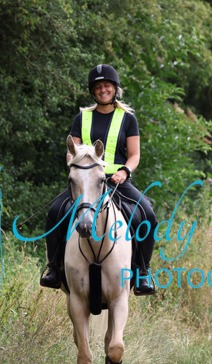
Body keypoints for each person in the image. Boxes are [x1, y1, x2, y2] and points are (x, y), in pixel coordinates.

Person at [39, 64, 156, 295]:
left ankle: (143, 272)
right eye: (99, 86)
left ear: (115, 88)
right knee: (54, 212)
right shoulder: (82, 118)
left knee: (148, 215)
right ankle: (53, 268)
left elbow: (134, 155)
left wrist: (124, 171)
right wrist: (77, 168)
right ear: (93, 91)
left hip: (117, 182)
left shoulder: (127, 119)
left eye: (107, 86)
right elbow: (71, 151)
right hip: (86, 182)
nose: (103, 90)